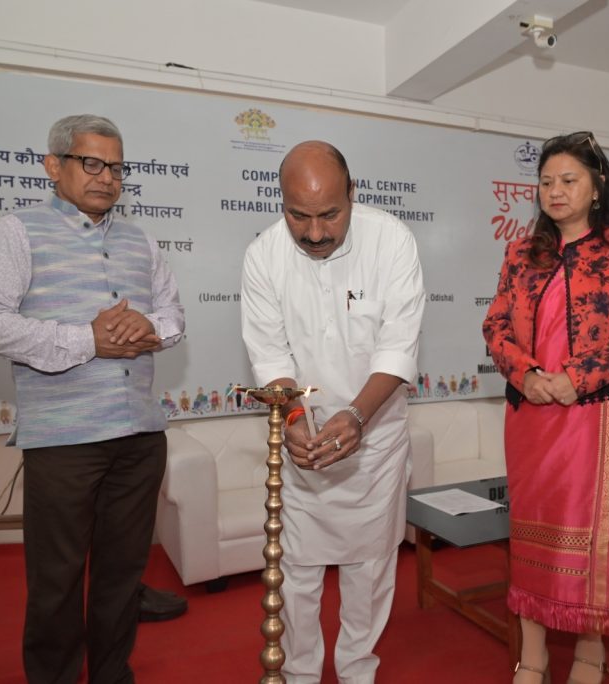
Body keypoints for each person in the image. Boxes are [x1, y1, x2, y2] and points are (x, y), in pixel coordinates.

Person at [0, 114, 187, 683]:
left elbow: (173, 315)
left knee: (121, 578)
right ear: (53, 165)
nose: (106, 177)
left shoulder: (141, 239)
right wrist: (86, 339)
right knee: (57, 582)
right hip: (63, 441)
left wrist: (150, 328)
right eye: (91, 163)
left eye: (116, 167)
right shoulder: (17, 231)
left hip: (139, 437)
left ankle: (112, 675)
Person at [240, 140, 425, 684]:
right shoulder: (263, 256)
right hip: (303, 439)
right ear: (281, 202)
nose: (315, 232)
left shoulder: (391, 241)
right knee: (296, 568)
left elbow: (398, 347)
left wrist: (357, 418)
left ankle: (357, 671)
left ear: (353, 195)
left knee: (369, 567)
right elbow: (270, 355)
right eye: (299, 215)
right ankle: (299, 674)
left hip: (375, 435)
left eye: (329, 215)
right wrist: (296, 420)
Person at [482, 131, 609, 684]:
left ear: (597, 185)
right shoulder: (522, 253)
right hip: (532, 413)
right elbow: (496, 325)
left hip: (598, 413)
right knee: (533, 532)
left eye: (568, 180)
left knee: (591, 535)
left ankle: (590, 653)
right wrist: (528, 374)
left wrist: (575, 379)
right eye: (546, 182)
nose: (555, 191)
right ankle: (532, 655)